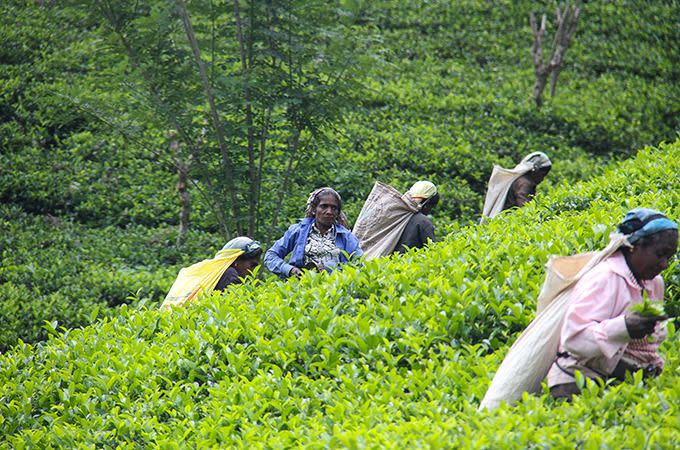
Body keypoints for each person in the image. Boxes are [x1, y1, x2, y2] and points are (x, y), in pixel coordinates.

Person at [547, 208, 678, 399]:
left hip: (624, 381)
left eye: (670, 257)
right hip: (578, 384)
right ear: (636, 246)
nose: (665, 264)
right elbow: (573, 339)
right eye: (660, 254)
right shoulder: (605, 277)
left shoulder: (654, 282)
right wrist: (624, 327)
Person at [264, 187, 363, 279]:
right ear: (314, 210)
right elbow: (270, 256)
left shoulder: (346, 237)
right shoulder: (298, 231)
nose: (329, 211)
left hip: (334, 289)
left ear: (337, 213)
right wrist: (290, 270)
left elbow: (360, 265)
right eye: (324, 206)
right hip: (300, 287)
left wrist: (329, 268)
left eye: (334, 208)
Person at [162, 236, 262, 309]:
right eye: (252, 265)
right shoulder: (229, 275)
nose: (252, 272)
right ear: (236, 261)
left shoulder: (206, 270)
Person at [480, 151, 552, 222]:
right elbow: (524, 208)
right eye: (543, 175)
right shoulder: (525, 184)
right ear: (535, 171)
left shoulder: (522, 180)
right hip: (508, 222)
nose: (543, 179)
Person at [393, 181, 440, 254]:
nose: (430, 210)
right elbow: (433, 252)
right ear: (427, 203)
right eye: (431, 206)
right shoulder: (423, 222)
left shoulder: (396, 215)